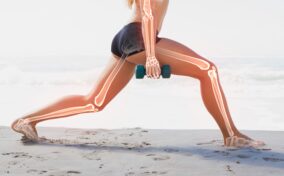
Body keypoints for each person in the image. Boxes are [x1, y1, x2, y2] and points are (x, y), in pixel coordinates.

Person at [11, 0, 265, 148]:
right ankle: (231, 135)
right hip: (139, 37)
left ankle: (27, 121)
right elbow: (146, 13)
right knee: (207, 70)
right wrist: (152, 56)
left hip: (129, 38)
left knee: (95, 101)